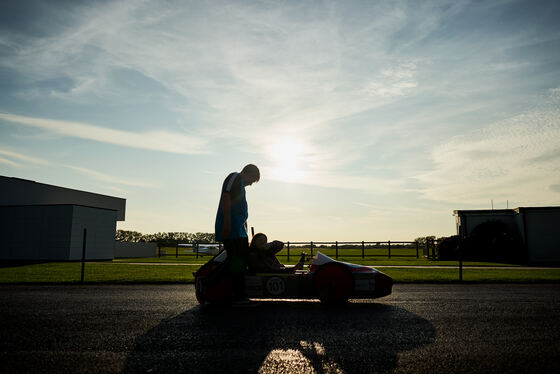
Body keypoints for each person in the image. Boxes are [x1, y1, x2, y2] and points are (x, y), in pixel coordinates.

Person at [214, 164, 260, 304]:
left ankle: (236, 293)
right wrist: (227, 223)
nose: (251, 184)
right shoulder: (234, 177)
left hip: (239, 230)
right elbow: (225, 198)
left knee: (241, 260)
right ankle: (236, 296)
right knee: (236, 261)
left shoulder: (240, 185)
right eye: (253, 180)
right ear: (248, 173)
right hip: (231, 229)